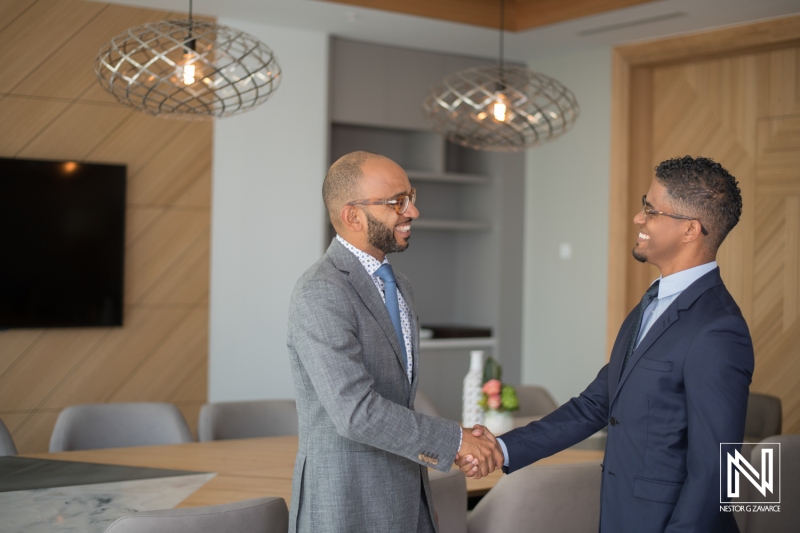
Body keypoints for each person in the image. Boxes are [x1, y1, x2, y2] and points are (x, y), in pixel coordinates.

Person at [460, 156, 754, 532]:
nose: (638, 218)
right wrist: (501, 449)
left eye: (650, 209)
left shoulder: (718, 329)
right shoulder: (651, 304)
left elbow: (718, 466)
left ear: (690, 230)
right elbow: (594, 406)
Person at [287, 151, 503, 533]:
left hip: (406, 499)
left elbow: (396, 401)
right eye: (396, 202)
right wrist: (456, 441)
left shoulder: (398, 284)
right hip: (347, 506)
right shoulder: (320, 291)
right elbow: (355, 412)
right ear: (353, 216)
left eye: (411, 197)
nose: (413, 212)